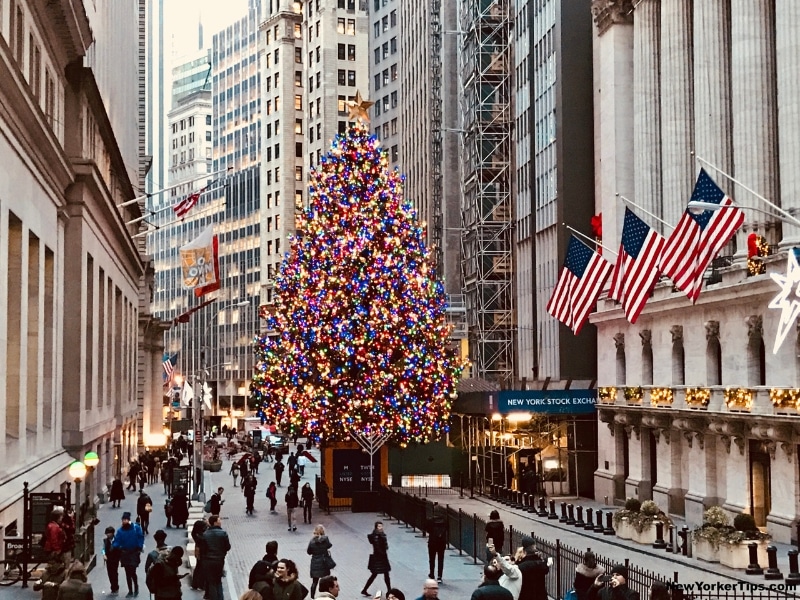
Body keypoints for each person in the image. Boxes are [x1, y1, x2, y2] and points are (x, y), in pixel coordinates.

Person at [112, 512, 145, 598]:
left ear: (129, 520)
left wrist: (140, 546)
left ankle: (136, 587)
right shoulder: (120, 531)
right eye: (123, 520)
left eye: (126, 520)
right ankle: (130, 590)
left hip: (134, 552)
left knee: (133, 571)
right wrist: (114, 546)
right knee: (127, 573)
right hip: (125, 554)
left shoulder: (136, 528)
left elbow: (140, 537)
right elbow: (117, 541)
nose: (125, 521)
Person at [199, 514, 231, 600]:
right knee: (218, 581)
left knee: (211, 581)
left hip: (208, 561)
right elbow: (228, 547)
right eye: (219, 520)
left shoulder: (205, 534)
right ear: (215, 522)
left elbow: (203, 549)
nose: (220, 522)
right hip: (219, 560)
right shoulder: (223, 533)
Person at [361, 521, 391, 596]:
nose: (381, 528)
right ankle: (364, 589)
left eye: (381, 526)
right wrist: (383, 552)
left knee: (385, 574)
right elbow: (378, 547)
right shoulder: (376, 536)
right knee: (375, 574)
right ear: (376, 528)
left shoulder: (382, 535)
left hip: (381, 557)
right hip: (379, 558)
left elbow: (385, 545)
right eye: (379, 526)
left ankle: (389, 590)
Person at [307, 525, 333, 598]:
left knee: (315, 581)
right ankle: (327, 596)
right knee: (326, 580)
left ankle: (312, 597)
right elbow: (329, 545)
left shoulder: (312, 541)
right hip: (324, 562)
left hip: (315, 563)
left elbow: (309, 552)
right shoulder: (325, 539)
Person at [426, 511, 447, 583]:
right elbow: (447, 529)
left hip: (432, 542)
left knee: (431, 559)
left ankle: (432, 574)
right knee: (441, 559)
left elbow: (427, 529)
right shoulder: (445, 520)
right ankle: (439, 576)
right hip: (441, 543)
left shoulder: (430, 520)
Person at [190, 518, 209, 592]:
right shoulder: (201, 536)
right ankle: (200, 584)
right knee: (201, 568)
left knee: (198, 568)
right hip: (202, 553)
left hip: (198, 553)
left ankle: (195, 584)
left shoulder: (196, 534)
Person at [101, 526, 121, 595]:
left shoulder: (117, 540)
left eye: (109, 533)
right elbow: (103, 549)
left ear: (112, 533)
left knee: (115, 572)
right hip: (108, 559)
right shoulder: (105, 541)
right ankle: (113, 586)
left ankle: (115, 586)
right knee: (110, 573)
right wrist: (104, 555)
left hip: (115, 558)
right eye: (107, 533)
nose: (107, 535)